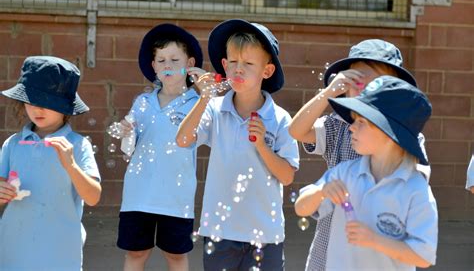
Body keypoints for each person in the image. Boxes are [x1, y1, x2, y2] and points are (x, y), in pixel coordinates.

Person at [288, 39, 429, 270]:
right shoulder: (339, 126)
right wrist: (328, 92)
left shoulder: (407, 139)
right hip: (332, 247)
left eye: (376, 82)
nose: (364, 88)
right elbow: (296, 131)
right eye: (355, 80)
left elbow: (415, 184)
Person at [176, 19, 299, 270]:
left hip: (265, 237)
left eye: (249, 63)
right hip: (220, 234)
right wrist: (204, 98)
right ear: (224, 65)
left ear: (267, 71)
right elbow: (183, 140)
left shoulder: (280, 119)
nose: (238, 70)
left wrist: (263, 145)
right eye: (233, 62)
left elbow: (287, 177)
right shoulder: (214, 109)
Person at [116, 23, 206, 271]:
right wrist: (126, 132)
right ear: (153, 66)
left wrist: (206, 93)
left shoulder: (197, 103)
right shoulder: (142, 102)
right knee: (136, 252)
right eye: (161, 59)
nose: (168, 65)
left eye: (175, 59)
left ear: (189, 64)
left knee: (175, 255)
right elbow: (128, 149)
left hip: (176, 197)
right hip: (139, 194)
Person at [0, 56, 102, 270]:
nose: (38, 109)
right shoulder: (13, 144)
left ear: (65, 107)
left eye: (47, 102)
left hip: (61, 253)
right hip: (13, 250)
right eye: (31, 100)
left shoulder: (78, 145)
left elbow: (93, 197)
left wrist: (71, 166)